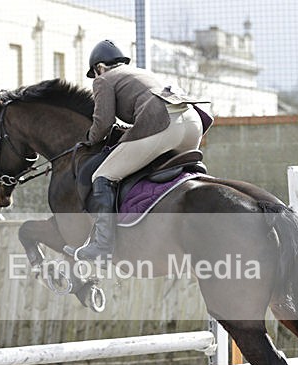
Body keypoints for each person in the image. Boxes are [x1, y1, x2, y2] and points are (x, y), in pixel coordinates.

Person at [74, 39, 208, 261]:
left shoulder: (103, 80)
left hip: (163, 124)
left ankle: (102, 246)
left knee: (103, 175)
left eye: (96, 73)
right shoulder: (142, 72)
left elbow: (103, 123)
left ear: (99, 68)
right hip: (193, 123)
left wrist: (89, 139)